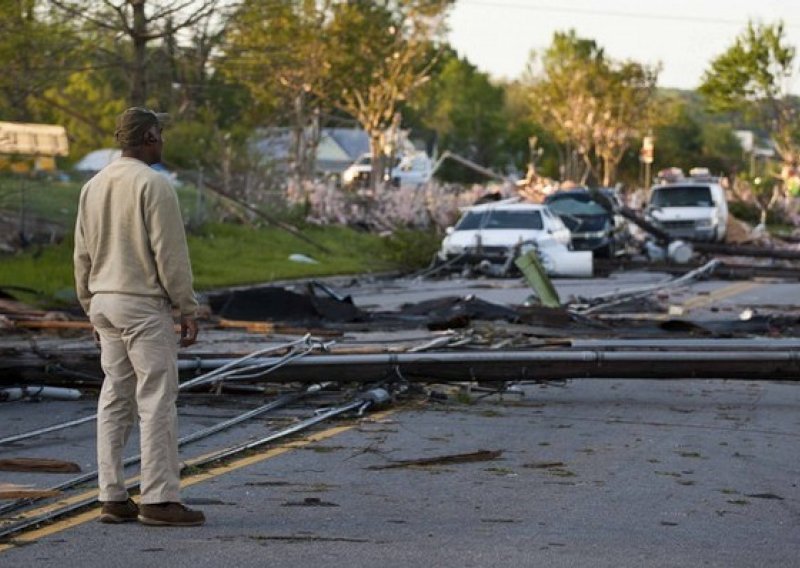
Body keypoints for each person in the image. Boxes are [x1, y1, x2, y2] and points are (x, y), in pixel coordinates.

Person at [74, 107, 204, 527]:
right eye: (160, 134)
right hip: (142, 305)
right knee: (157, 400)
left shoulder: (93, 186)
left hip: (104, 302)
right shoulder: (154, 185)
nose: (162, 141)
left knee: (115, 398)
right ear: (148, 136)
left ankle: (111, 495)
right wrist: (186, 306)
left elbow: (82, 255)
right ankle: (160, 498)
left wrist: (88, 306)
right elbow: (170, 254)